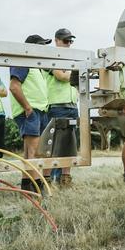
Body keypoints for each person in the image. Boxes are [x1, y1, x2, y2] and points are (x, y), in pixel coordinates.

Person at [9, 34, 51, 191]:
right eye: (40, 46)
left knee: (30, 152)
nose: (43, 49)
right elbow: (14, 86)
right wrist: (28, 108)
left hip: (38, 110)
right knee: (35, 151)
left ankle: (27, 186)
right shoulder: (23, 62)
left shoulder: (36, 66)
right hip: (30, 111)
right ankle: (36, 187)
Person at [44, 28, 79, 186]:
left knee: (70, 146)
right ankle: (48, 180)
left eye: (70, 41)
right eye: (66, 41)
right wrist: (76, 71)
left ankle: (65, 180)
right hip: (57, 106)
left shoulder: (71, 59)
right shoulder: (51, 58)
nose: (68, 44)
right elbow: (62, 76)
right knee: (53, 147)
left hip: (72, 106)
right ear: (57, 40)